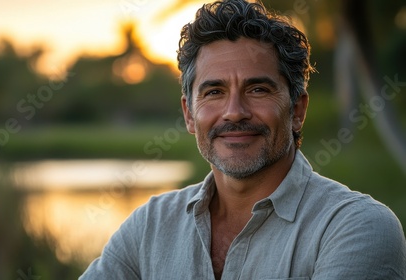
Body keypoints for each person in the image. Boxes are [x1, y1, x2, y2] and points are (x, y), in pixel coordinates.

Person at [80, 0, 406, 279]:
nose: (234, 112)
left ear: (297, 110)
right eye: (214, 92)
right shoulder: (149, 226)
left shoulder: (353, 228)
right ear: (190, 115)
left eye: (258, 89)